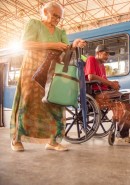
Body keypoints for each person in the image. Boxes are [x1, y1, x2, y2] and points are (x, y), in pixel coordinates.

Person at [10, 1, 86, 152]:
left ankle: (53, 141)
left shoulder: (60, 32)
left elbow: (65, 51)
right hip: (31, 70)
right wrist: (52, 45)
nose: (57, 19)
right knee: (27, 102)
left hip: (53, 73)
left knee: (55, 104)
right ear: (45, 12)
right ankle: (16, 139)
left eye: (60, 17)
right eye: (55, 15)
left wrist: (75, 45)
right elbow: (25, 44)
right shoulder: (34, 24)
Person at [84, 44, 130, 143]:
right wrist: (110, 83)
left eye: (108, 55)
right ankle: (121, 133)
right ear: (98, 53)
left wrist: (113, 84)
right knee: (124, 101)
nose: (107, 57)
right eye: (105, 54)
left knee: (129, 102)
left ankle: (122, 133)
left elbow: (104, 81)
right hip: (95, 92)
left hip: (103, 91)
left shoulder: (102, 66)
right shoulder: (91, 59)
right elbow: (90, 77)